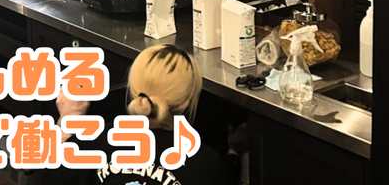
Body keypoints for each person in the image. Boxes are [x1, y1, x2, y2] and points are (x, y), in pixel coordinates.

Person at [49, 44, 243, 185]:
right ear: (185, 103)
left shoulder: (92, 142)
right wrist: (235, 150)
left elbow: (53, 177)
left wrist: (66, 124)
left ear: (134, 91)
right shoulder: (205, 163)